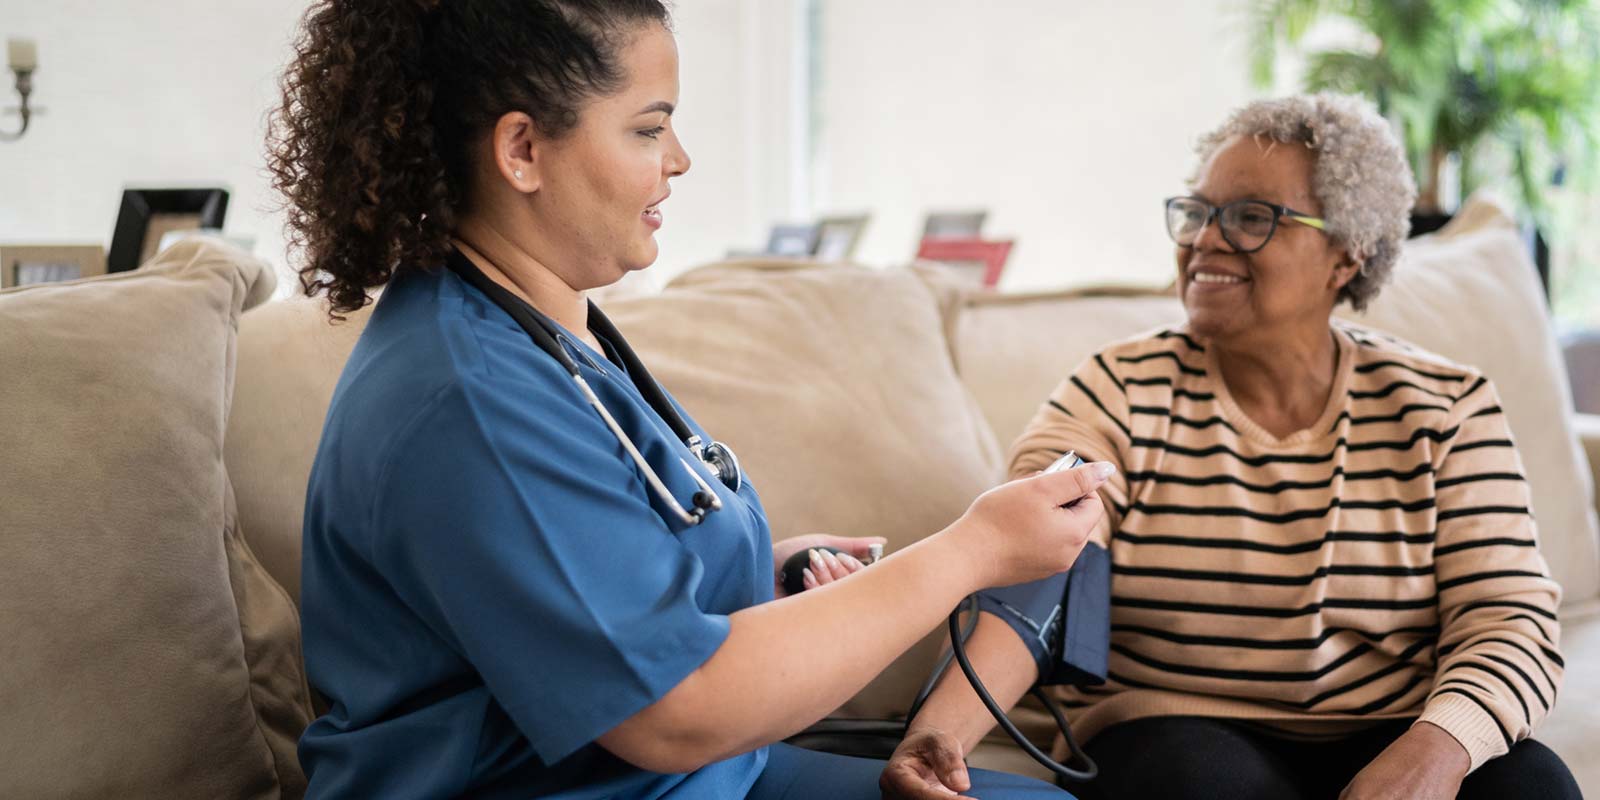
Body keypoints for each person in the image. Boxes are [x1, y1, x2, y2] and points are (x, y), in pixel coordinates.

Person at [267, 1, 1104, 797]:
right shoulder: (471, 398)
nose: (678, 159)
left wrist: (757, 572)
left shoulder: (542, 326)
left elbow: (592, 582)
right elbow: (676, 711)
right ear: (521, 149)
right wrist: (973, 552)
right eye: (648, 127)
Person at [883, 94, 1581, 800]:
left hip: (1395, 721)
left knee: (1535, 784)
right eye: (1197, 212)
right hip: (1181, 729)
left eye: (1251, 217)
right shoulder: (1118, 391)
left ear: (1347, 254)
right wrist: (939, 736)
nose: (1205, 240)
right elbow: (1032, 564)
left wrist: (1437, 751)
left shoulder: (1446, 410)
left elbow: (1509, 618)